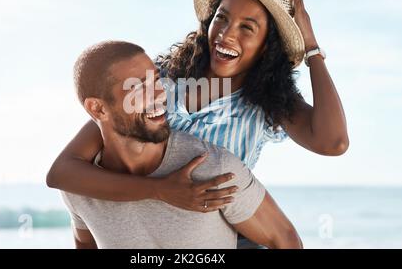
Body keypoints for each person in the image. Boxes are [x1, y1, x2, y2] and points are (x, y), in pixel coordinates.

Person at [47, 0, 348, 244]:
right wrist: (160, 190)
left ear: (267, 45)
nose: (227, 34)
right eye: (222, 17)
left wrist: (311, 49)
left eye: (247, 27)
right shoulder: (161, 79)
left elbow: (333, 142)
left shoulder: (270, 104)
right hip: (147, 226)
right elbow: (63, 172)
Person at [60, 40, 302, 249]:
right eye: (138, 88)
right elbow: (84, 243)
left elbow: (285, 240)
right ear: (98, 108)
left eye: (156, 80)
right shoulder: (80, 189)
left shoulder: (212, 169)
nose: (158, 96)